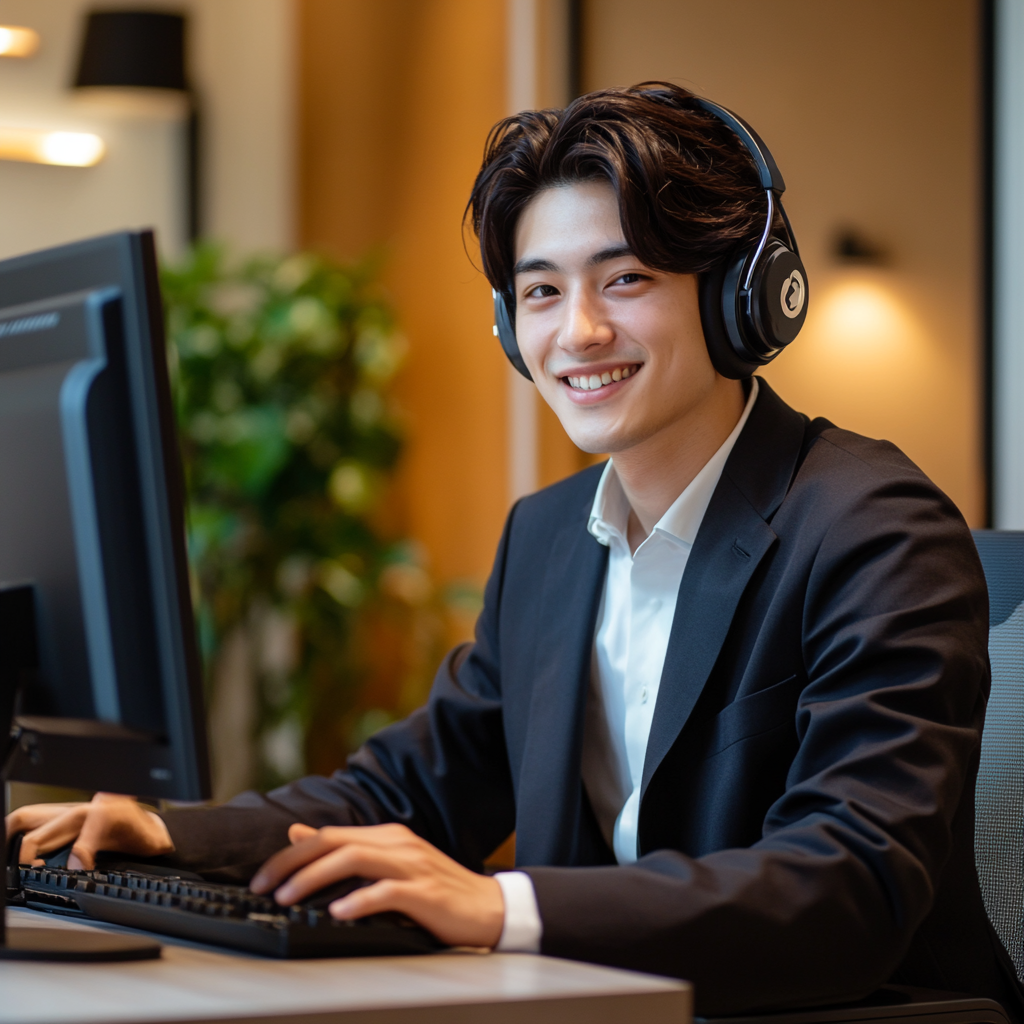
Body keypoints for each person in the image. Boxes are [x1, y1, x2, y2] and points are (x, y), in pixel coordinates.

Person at [8, 83, 1020, 1018]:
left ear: (738, 296)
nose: (577, 332)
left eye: (625, 279)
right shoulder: (548, 536)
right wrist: (172, 833)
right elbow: (406, 789)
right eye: (539, 293)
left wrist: (503, 909)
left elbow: (848, 882)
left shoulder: (871, 524)